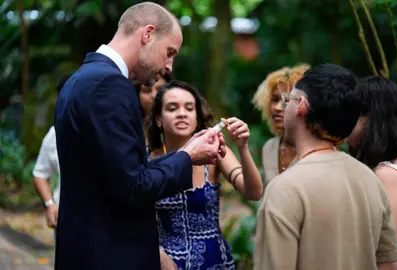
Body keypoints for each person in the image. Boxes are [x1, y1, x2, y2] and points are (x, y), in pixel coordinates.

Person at [53, 3, 226, 270]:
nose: (169, 66)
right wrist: (188, 157)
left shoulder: (83, 78)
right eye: (169, 53)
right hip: (110, 256)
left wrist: (184, 152)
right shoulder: (109, 85)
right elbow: (133, 187)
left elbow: (119, 173)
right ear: (147, 34)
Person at [254, 64, 397, 270]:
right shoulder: (371, 180)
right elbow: (391, 265)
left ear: (300, 106)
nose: (282, 107)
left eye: (288, 100)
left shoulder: (284, 189)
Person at [148, 80, 263, 269]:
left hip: (214, 260)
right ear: (159, 118)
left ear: (197, 116)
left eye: (189, 108)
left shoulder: (215, 154)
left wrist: (243, 148)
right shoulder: (148, 160)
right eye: (172, 108)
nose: (182, 113)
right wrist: (158, 253)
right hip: (164, 263)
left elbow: (254, 193)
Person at [348, 76, 397, 269]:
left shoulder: (388, 174)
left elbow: (383, 249)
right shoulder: (379, 168)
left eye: (354, 114)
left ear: (372, 119)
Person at [251, 64, 310, 186]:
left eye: (287, 100)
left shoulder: (318, 149)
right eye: (275, 99)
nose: (278, 108)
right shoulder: (269, 148)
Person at [33, 74, 71, 230]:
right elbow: (40, 174)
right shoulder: (55, 134)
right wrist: (49, 204)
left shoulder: (108, 129)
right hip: (66, 218)